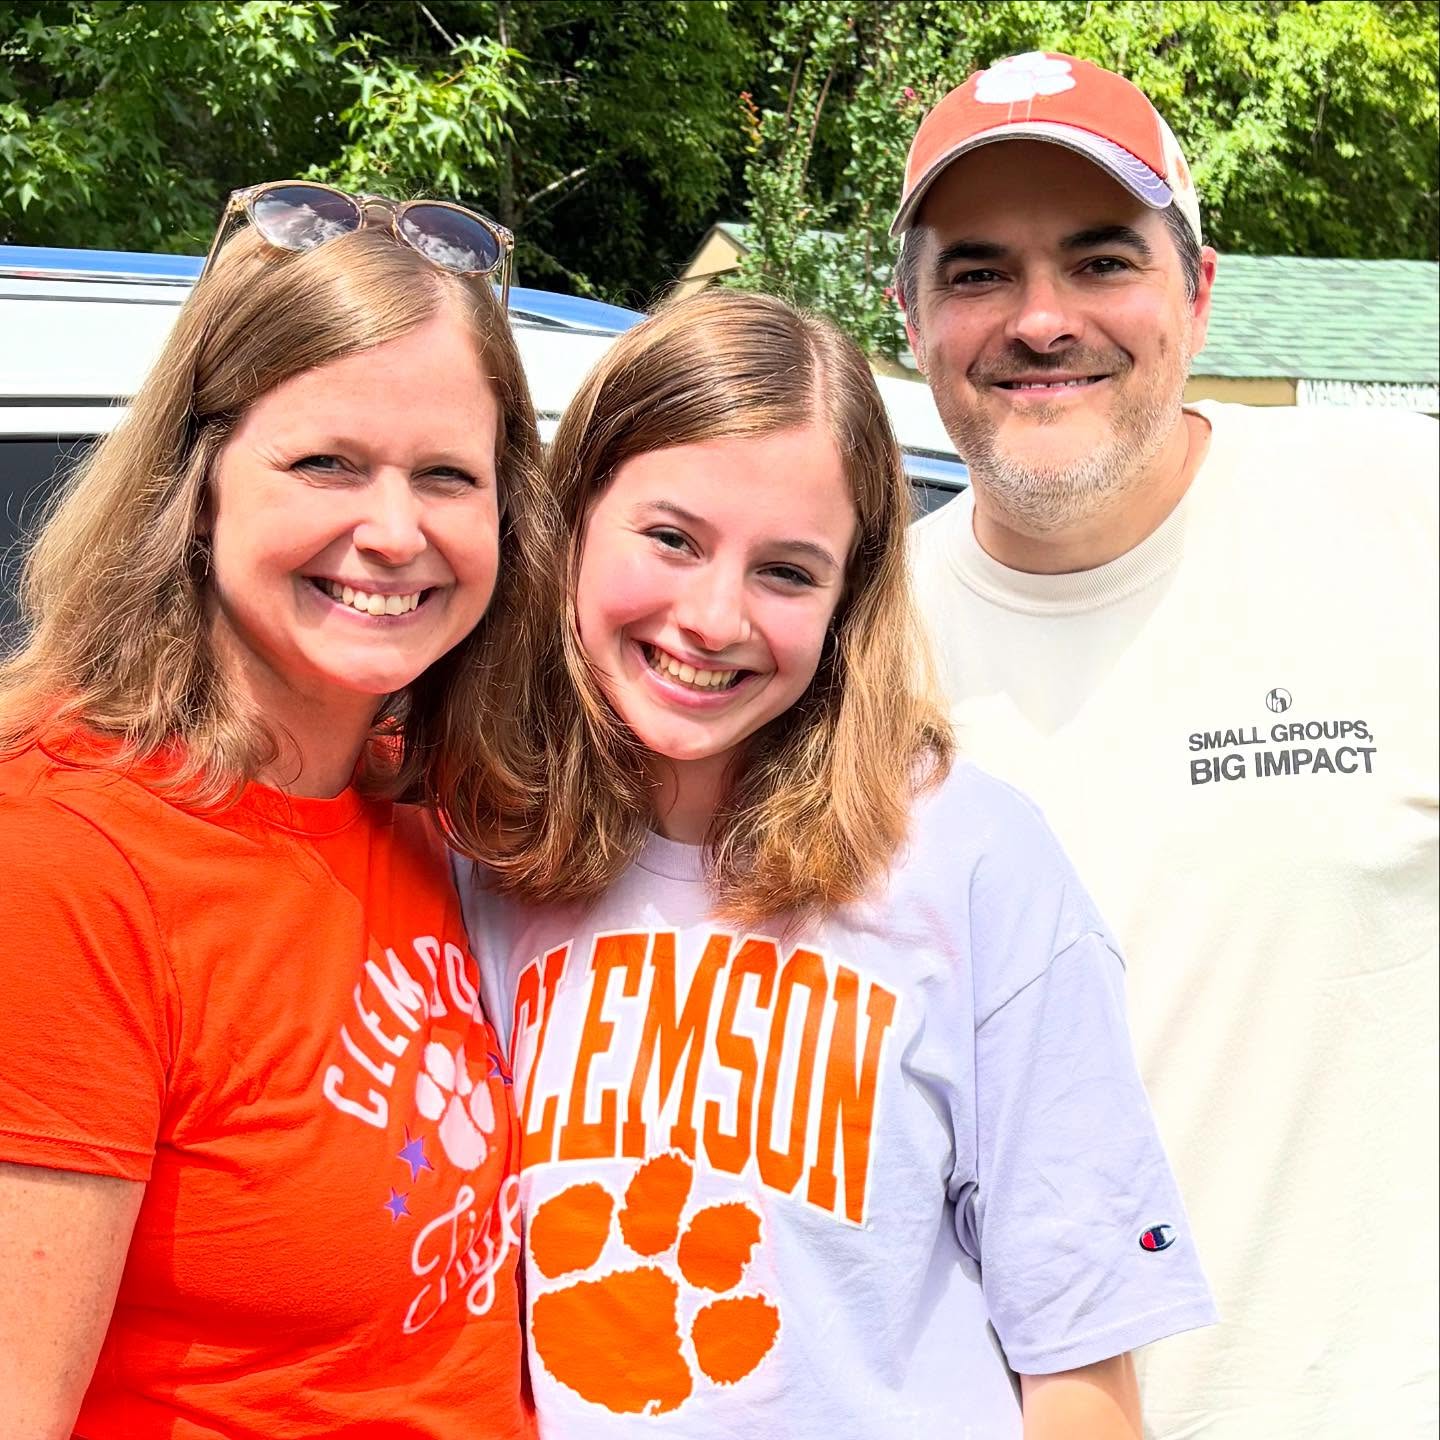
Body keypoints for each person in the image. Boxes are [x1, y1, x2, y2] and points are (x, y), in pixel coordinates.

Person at [448, 288, 1216, 1439]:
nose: (714, 617)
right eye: (672, 538)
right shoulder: (466, 842)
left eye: (789, 572)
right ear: (570, 521)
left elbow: (1082, 1368)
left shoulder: (973, 865)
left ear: (850, 600)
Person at [894, 52, 1439, 1439]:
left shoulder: (1400, 522)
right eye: (976, 273)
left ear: (1199, 292)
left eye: (1099, 260)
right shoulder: (838, 650)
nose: (1040, 319)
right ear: (906, 318)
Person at [0, 182, 548, 1438]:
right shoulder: (66, 855)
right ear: (197, 481)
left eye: (448, 476)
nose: (395, 531)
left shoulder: (433, 811)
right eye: (327, 464)